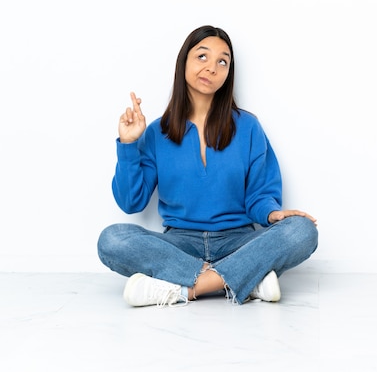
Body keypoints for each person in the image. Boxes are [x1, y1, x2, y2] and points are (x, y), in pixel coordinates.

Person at [97, 25, 318, 307]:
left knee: (302, 230)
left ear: (228, 74)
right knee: (113, 239)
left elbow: (260, 195)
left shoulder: (248, 127)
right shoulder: (156, 133)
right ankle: (245, 280)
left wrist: (273, 213)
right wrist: (128, 145)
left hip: (238, 242)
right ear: (184, 62)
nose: (212, 68)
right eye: (202, 56)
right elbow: (131, 202)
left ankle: (182, 289)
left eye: (222, 61)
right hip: (180, 245)